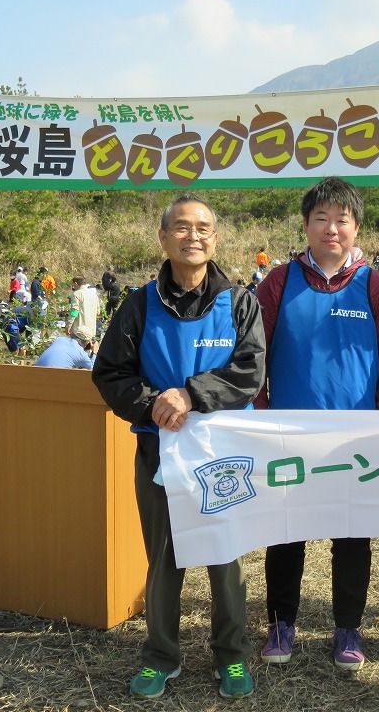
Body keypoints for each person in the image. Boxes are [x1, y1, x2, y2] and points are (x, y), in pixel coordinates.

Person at [92, 194, 266, 701]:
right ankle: (161, 656)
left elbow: (250, 373)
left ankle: (231, 655)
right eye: (183, 227)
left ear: (215, 239)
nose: (194, 236)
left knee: (225, 557)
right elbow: (110, 373)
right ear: (163, 237)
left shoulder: (239, 301)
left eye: (204, 228)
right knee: (163, 558)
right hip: (159, 451)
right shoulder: (139, 303)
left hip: (224, 454)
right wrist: (154, 405)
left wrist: (192, 394)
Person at [254, 177, 379, 672]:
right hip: (289, 434)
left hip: (354, 439)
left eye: (342, 219)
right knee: (287, 531)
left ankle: (348, 627)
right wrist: (260, 415)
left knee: (352, 535)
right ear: (306, 224)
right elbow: (255, 357)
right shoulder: (279, 281)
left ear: (356, 226)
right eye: (321, 218)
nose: (331, 228)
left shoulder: (374, 284)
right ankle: (281, 622)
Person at [67, 276, 101, 342]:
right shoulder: (94, 295)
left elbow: (74, 311)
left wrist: (68, 325)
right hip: (91, 330)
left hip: (80, 331)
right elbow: (98, 312)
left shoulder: (76, 294)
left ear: (76, 283)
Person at [33, 335, 98, 369]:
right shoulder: (81, 353)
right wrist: (94, 352)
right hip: (54, 382)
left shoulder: (60, 339)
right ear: (86, 343)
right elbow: (92, 369)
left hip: (35, 374)